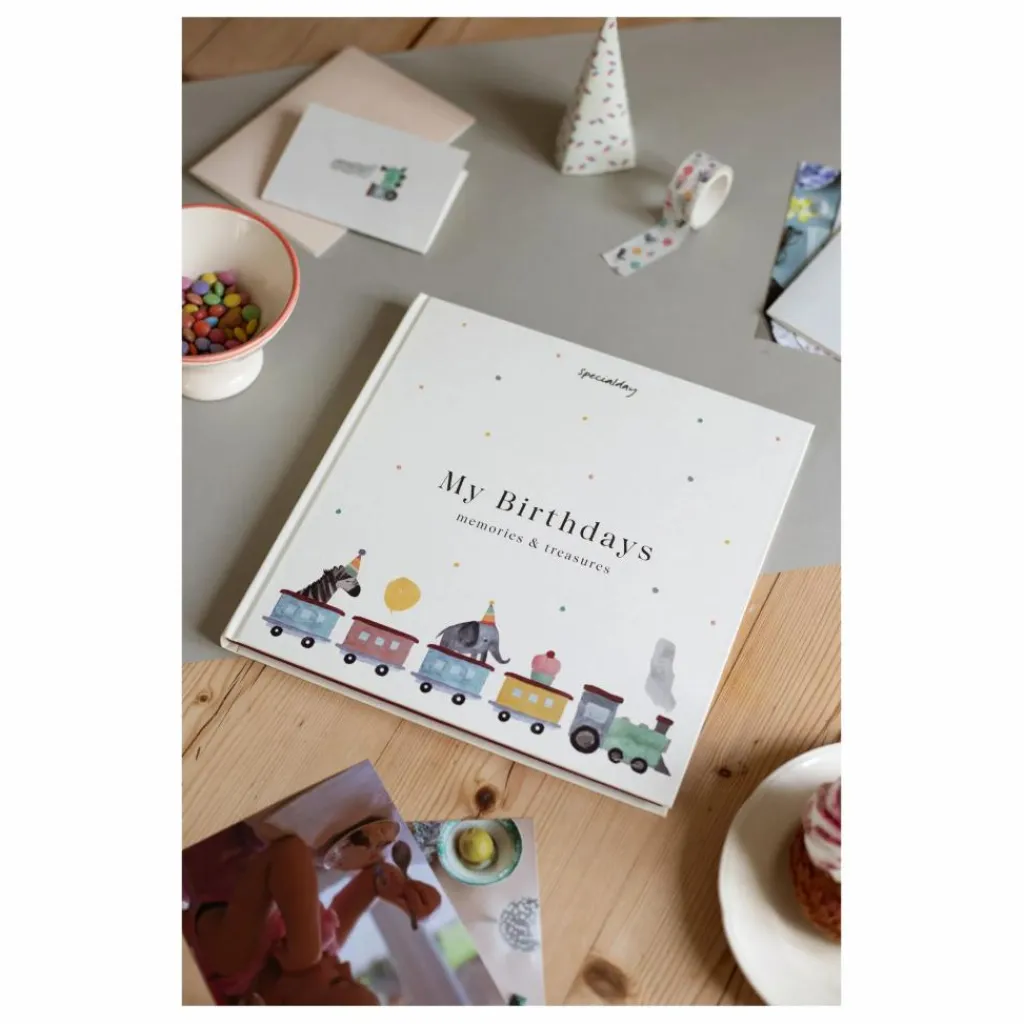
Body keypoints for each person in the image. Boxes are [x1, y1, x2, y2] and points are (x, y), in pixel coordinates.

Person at [183, 821, 441, 1005]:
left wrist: (306, 952)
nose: (346, 966)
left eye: (339, 982)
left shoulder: (231, 961)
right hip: (261, 821)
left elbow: (288, 852)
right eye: (355, 978)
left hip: (202, 820)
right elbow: (374, 879)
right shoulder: (325, 953)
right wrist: (402, 893)